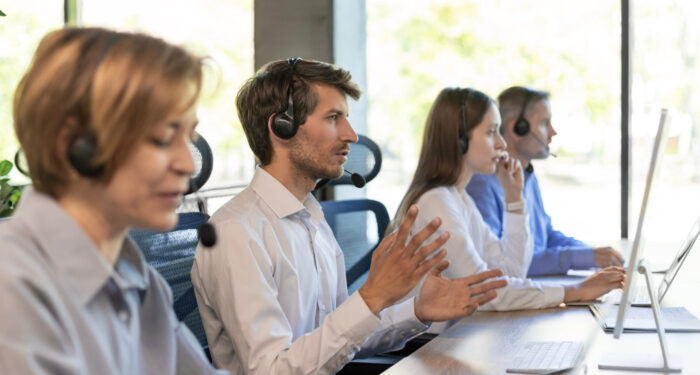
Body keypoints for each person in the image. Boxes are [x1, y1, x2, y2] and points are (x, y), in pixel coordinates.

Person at [190, 58, 508, 375]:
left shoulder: (311, 219)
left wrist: (416, 310)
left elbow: (339, 337)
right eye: (333, 118)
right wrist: (372, 297)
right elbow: (272, 370)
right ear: (281, 127)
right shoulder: (237, 233)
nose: (351, 135)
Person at [0, 27, 225, 374]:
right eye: (164, 138)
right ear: (74, 147)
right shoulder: (13, 288)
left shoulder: (136, 279)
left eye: (190, 136)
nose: (187, 164)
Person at [393, 87, 624, 323]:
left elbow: (510, 273)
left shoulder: (460, 199)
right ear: (460, 139)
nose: (501, 143)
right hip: (425, 346)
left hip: (455, 333)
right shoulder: (437, 203)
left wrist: (514, 201)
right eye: (491, 132)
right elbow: (485, 292)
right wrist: (574, 292)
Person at [466, 86, 624, 276]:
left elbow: (546, 236)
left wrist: (594, 255)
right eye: (544, 123)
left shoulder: (526, 176)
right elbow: (503, 263)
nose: (553, 132)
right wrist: (577, 259)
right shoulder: (481, 185)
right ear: (518, 129)